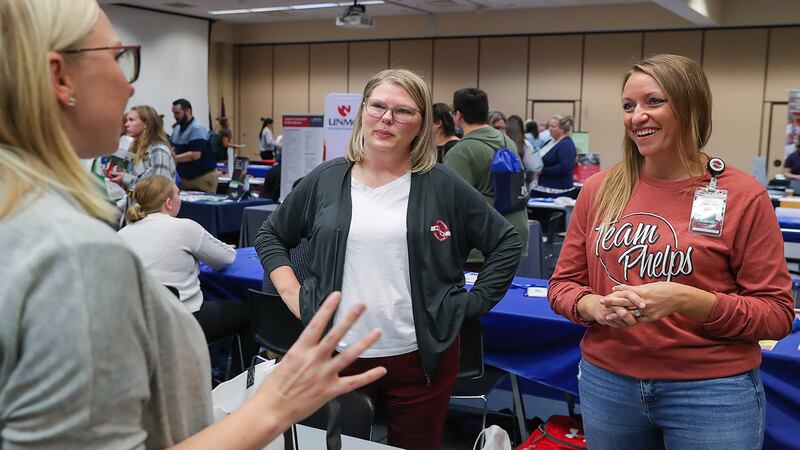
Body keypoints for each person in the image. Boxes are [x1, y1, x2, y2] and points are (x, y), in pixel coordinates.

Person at [0, 0, 385, 447]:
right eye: (118, 57)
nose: (129, 87)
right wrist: (274, 406)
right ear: (59, 77)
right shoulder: (74, 255)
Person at [255, 69, 522, 450]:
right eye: (378, 106)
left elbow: (506, 241)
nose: (386, 118)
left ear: (421, 124)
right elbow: (271, 234)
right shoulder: (327, 179)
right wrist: (293, 293)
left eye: (403, 111)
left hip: (420, 361)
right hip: (337, 355)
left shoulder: (441, 183)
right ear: (363, 111)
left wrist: (471, 304)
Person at [548, 54, 794, 450]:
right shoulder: (600, 189)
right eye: (628, 106)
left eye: (653, 102)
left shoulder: (743, 195)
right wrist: (593, 307)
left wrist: (688, 300)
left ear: (690, 105)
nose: (636, 116)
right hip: (608, 383)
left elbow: (777, 314)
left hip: (712, 392)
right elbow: (562, 285)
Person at [117, 176, 258, 372]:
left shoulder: (122, 234)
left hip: (135, 323)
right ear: (168, 202)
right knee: (250, 312)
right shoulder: (184, 227)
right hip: (181, 320)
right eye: (177, 194)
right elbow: (225, 258)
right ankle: (239, 382)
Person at [444, 88, 528, 269]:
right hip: (513, 231)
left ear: (458, 115)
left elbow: (454, 201)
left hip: (483, 240)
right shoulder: (508, 142)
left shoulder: (461, 151)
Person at [108, 105, 176, 193]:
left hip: (151, 206)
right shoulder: (134, 147)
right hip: (135, 204)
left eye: (131, 120)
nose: (126, 124)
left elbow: (160, 187)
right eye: (127, 120)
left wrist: (126, 179)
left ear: (146, 123)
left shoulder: (159, 150)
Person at [171, 98, 218, 193]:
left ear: (188, 111)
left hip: (202, 178)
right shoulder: (176, 129)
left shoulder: (197, 128)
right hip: (184, 178)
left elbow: (195, 155)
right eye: (174, 113)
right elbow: (172, 149)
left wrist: (172, 158)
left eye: (177, 113)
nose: (175, 116)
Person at [530, 113, 578, 198]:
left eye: (553, 126)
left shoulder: (566, 144)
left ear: (562, 129)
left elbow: (565, 167)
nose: (549, 129)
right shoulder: (550, 142)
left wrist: (543, 171)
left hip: (556, 192)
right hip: (541, 188)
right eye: (549, 126)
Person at [507, 114, 543, 181]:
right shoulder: (525, 144)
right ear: (521, 128)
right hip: (520, 181)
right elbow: (533, 167)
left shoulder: (502, 142)